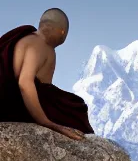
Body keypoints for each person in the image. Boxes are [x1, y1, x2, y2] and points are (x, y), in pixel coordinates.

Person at [0, 9, 93, 140]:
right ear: (60, 31)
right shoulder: (38, 45)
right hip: (11, 101)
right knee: (75, 107)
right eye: (64, 33)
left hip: (17, 96)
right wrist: (46, 122)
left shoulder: (28, 38)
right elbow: (24, 83)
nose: (63, 37)